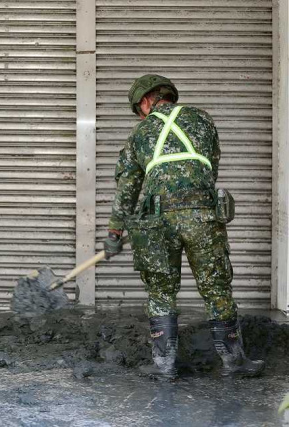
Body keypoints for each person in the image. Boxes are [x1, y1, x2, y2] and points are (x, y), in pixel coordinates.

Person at [104, 74, 264, 380]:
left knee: (161, 291)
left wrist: (115, 232)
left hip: (156, 221)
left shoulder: (140, 133)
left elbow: (127, 187)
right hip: (202, 215)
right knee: (216, 287)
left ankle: (164, 365)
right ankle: (234, 362)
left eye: (140, 108)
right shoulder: (202, 119)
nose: (141, 114)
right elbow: (210, 167)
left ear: (147, 100)